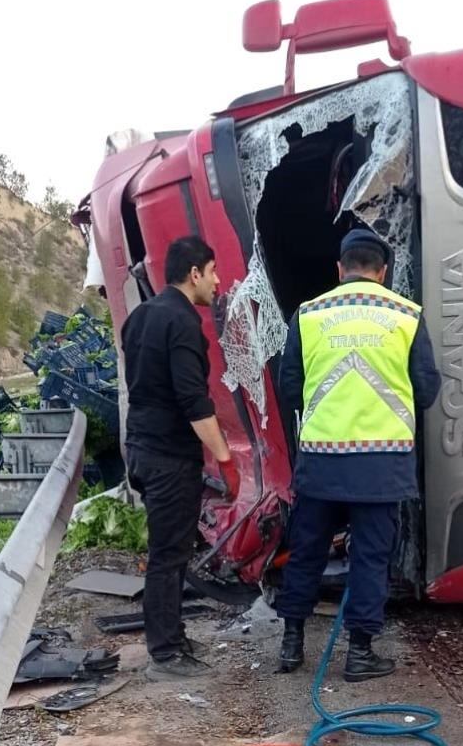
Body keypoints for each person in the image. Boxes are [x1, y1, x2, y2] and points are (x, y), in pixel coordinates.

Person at [274, 228, 441, 681]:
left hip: (321, 461)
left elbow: (289, 388)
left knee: (306, 551)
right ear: (382, 272)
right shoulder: (406, 316)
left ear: (340, 269)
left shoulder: (309, 315)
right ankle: (360, 653)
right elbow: (427, 390)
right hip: (381, 466)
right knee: (370, 557)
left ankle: (291, 644)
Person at [121, 234, 238, 680]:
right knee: (169, 555)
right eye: (213, 271)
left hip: (141, 449)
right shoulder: (183, 322)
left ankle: (172, 636)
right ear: (194, 273)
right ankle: (166, 653)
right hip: (169, 456)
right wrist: (225, 460)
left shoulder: (140, 316)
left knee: (170, 551)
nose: (217, 281)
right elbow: (193, 401)